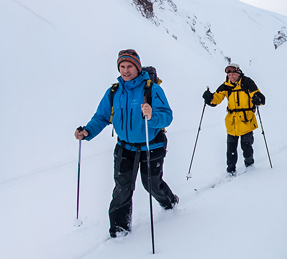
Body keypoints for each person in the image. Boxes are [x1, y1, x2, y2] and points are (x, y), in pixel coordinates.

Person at [74, 49, 178, 238]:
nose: (126, 70)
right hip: (124, 147)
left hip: (151, 145)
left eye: (130, 66)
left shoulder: (152, 89)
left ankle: (170, 202)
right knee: (122, 187)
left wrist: (152, 115)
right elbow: (102, 117)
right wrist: (87, 131)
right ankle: (119, 229)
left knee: (151, 184)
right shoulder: (114, 91)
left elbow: (167, 116)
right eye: (122, 66)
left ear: (138, 67)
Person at [202, 63, 266, 176]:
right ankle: (230, 170)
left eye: (233, 74)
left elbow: (257, 94)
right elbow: (216, 99)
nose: (231, 77)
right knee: (231, 148)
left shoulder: (247, 82)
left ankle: (250, 166)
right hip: (232, 122)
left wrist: (258, 99)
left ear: (238, 73)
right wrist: (209, 98)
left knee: (246, 146)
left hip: (246, 120)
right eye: (229, 75)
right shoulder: (226, 86)